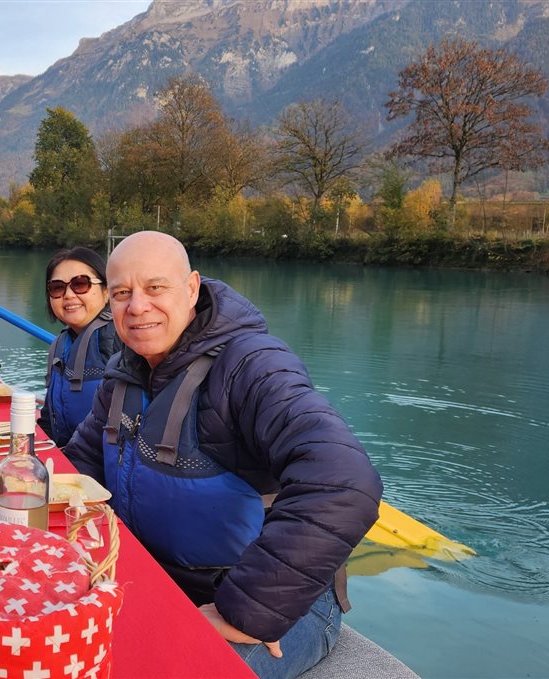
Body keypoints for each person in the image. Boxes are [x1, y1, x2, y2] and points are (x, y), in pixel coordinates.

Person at [63, 231, 382, 679]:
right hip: (163, 581)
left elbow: (345, 481)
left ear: (192, 288)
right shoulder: (125, 375)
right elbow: (79, 466)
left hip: (272, 603)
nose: (137, 307)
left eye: (156, 288)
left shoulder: (254, 367)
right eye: (121, 293)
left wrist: (248, 610)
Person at [37, 247, 122, 447]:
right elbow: (49, 419)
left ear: (106, 291)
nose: (68, 295)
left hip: (103, 471)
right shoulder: (59, 345)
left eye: (80, 284)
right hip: (67, 463)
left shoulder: (123, 339)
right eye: (58, 287)